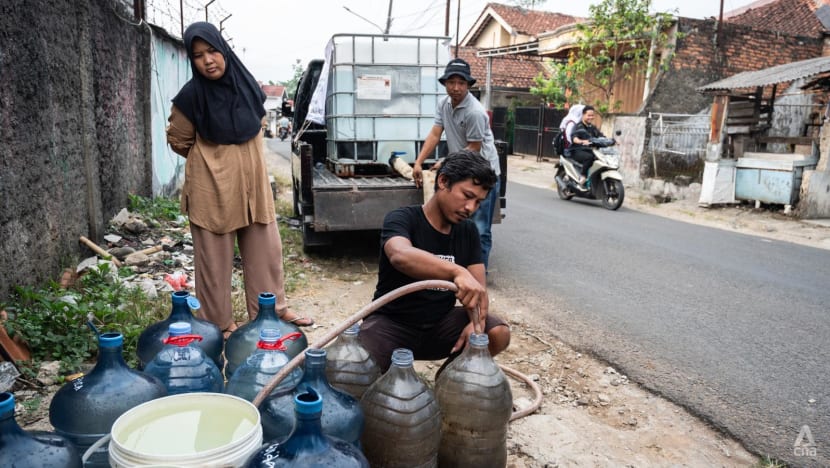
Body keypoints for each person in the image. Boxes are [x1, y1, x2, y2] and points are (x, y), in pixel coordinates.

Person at [166, 22, 313, 338]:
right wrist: (214, 159)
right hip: (211, 186)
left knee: (265, 250)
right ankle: (219, 323)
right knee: (214, 260)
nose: (208, 61)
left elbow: (258, 121)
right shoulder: (190, 98)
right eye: (198, 55)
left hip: (253, 184)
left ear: (224, 49)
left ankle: (272, 312)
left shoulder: (247, 86)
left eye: (212, 51)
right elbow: (179, 139)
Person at [359, 150, 511, 372]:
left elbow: (478, 292)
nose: (471, 208)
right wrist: (456, 272)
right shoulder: (402, 218)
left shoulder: (467, 231)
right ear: (443, 181)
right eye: (467, 196)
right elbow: (400, 255)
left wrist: (475, 325)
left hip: (440, 326)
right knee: (357, 365)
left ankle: (450, 380)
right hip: (392, 325)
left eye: (478, 202)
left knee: (497, 333)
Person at [412, 58, 501, 273]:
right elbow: (435, 133)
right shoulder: (444, 104)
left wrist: (446, 161)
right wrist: (418, 162)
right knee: (456, 222)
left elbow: (474, 147)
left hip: (483, 174)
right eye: (452, 82)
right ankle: (458, 270)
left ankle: (479, 277)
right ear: (445, 84)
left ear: (468, 85)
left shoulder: (475, 112)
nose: (456, 87)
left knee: (479, 228)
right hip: (462, 169)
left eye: (461, 83)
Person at [569, 105, 606, 186]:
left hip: (589, 150)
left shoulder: (592, 127)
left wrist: (611, 141)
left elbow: (600, 136)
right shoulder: (578, 126)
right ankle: (583, 176)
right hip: (577, 150)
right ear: (583, 115)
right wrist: (581, 141)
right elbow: (574, 138)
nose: (591, 117)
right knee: (589, 157)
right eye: (589, 115)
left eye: (592, 115)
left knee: (601, 158)